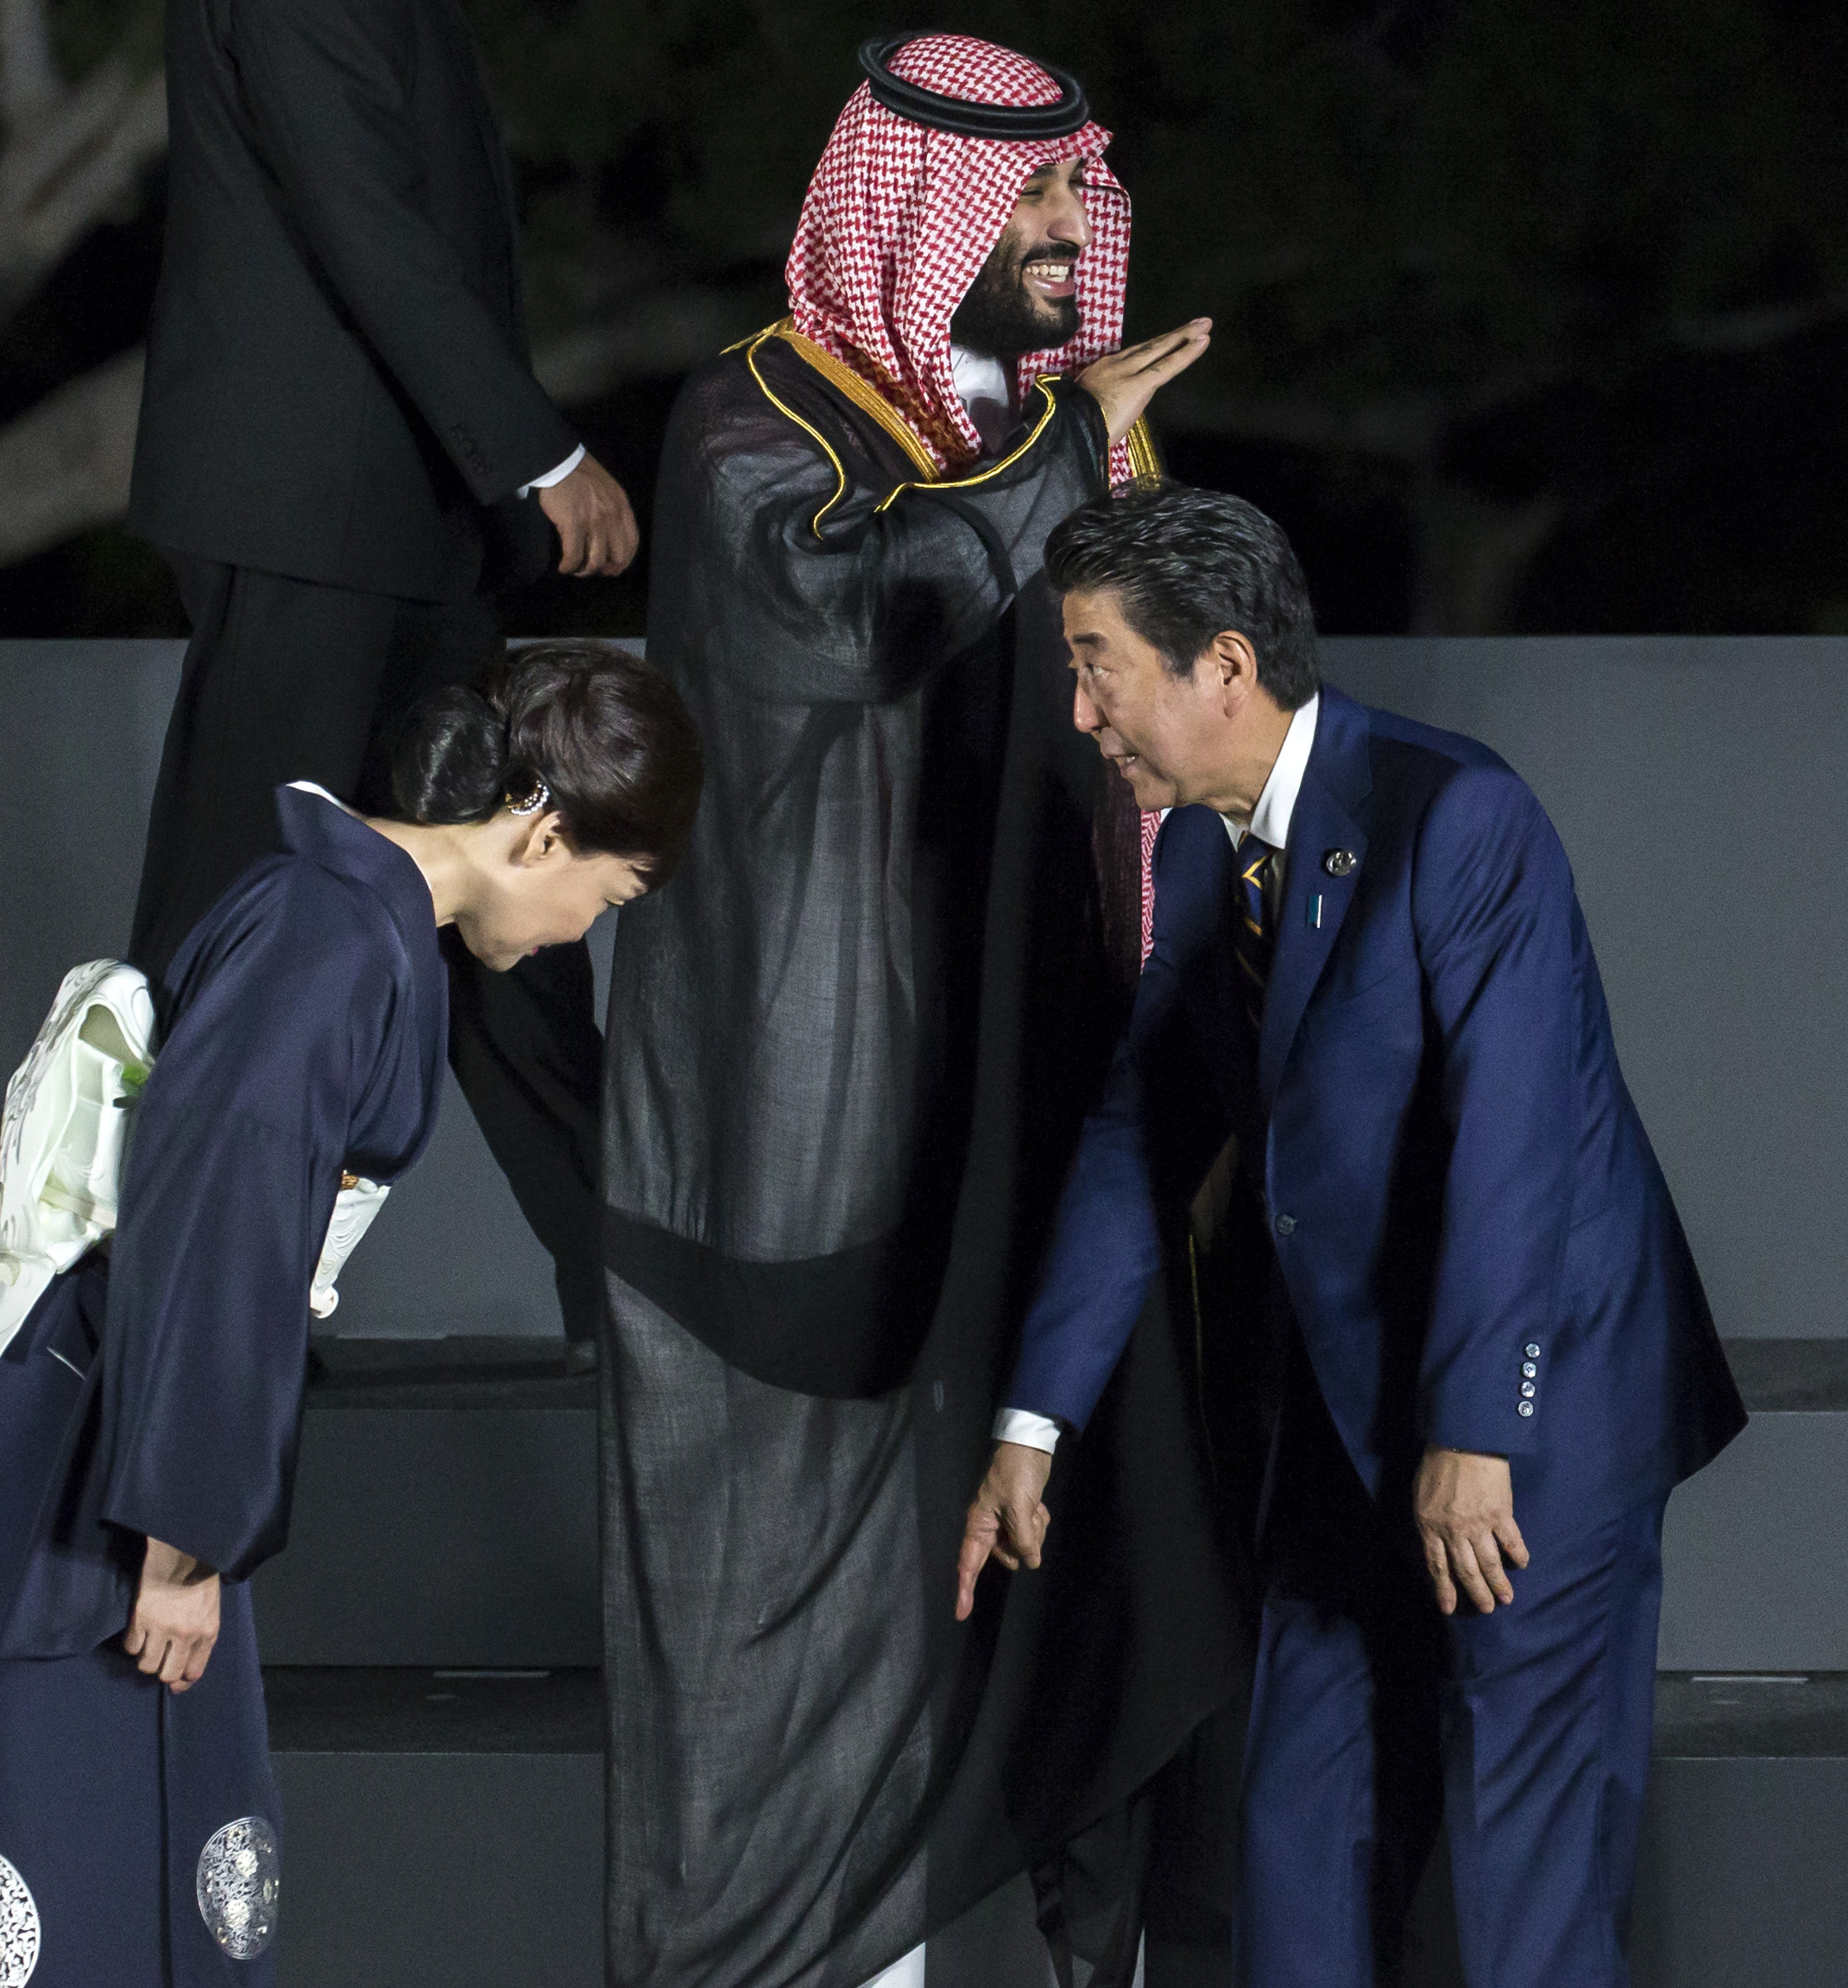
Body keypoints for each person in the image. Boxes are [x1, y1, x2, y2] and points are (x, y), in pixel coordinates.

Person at [596, 32, 1237, 1988]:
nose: (1065, 231)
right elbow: (864, 606)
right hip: (816, 1151)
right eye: (1030, 196)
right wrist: (1069, 460)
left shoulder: (1056, 436)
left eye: (1071, 193)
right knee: (796, 1627)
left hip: (1029, 1105)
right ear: (916, 209)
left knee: (1071, 1593)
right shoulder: (748, 429)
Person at [960, 483, 1748, 1987]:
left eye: (1097, 665)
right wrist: (1034, 1417)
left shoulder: (1463, 819)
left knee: (1529, 1863)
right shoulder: (1199, 849)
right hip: (1339, 1410)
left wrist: (1475, 1432)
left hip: (1536, 1414)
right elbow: (1142, 1134)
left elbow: (1525, 1150)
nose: (1078, 714)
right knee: (1298, 1823)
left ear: (1227, 668)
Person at [0, 645, 701, 1988]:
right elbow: (218, 1211)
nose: (582, 933)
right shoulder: (334, 938)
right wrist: (183, 1538)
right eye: (607, 895)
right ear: (542, 829)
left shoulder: (342, 912)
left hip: (132, 1398)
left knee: (152, 1831)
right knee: (60, 1834)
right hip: (110, 1420)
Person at [125, 0, 640, 1359]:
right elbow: (367, 218)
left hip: (400, 518)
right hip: (309, 511)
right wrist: (534, 457)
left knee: (503, 882)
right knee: (235, 909)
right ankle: (157, 1301)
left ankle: (626, 1290)